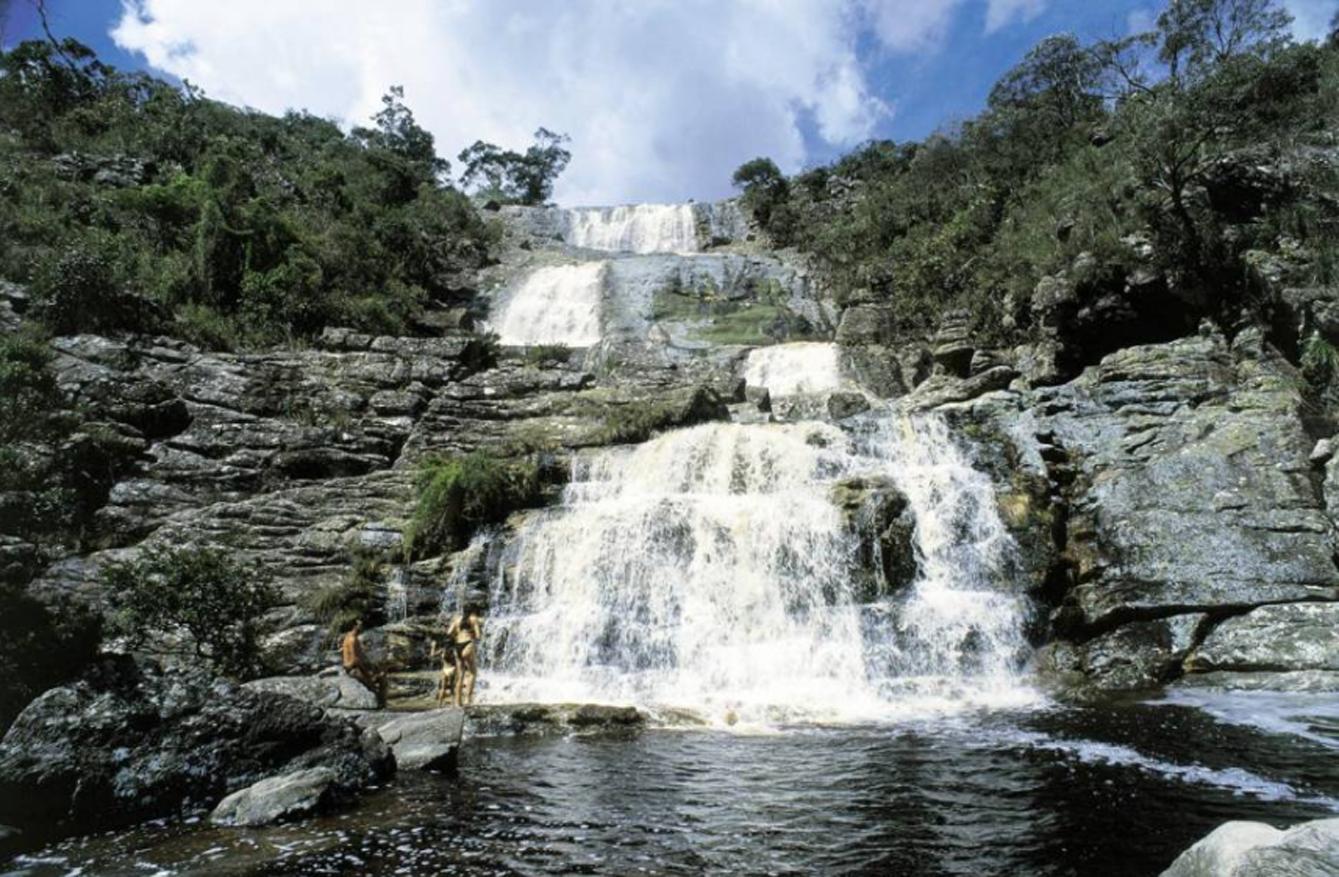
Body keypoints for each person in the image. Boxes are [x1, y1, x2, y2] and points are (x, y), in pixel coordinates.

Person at [341, 619, 387, 707]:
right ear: (354, 626)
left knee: (380, 675)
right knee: (376, 683)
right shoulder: (352, 639)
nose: (362, 627)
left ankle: (381, 703)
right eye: (360, 625)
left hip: (353, 667)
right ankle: (380, 704)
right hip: (353, 669)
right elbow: (355, 660)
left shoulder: (349, 637)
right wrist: (368, 673)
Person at [446, 606, 483, 707]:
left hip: (458, 646)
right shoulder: (473, 619)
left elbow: (449, 632)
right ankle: (467, 699)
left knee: (460, 675)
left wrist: (456, 636)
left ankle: (458, 702)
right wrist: (473, 637)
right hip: (468, 644)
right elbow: (478, 635)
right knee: (472, 673)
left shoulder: (457, 619)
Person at [427, 618, 457, 707]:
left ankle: (439, 705)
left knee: (443, 688)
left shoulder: (442, 650)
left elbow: (432, 655)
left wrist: (433, 646)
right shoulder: (453, 651)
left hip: (445, 669)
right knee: (452, 688)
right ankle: (453, 704)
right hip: (453, 669)